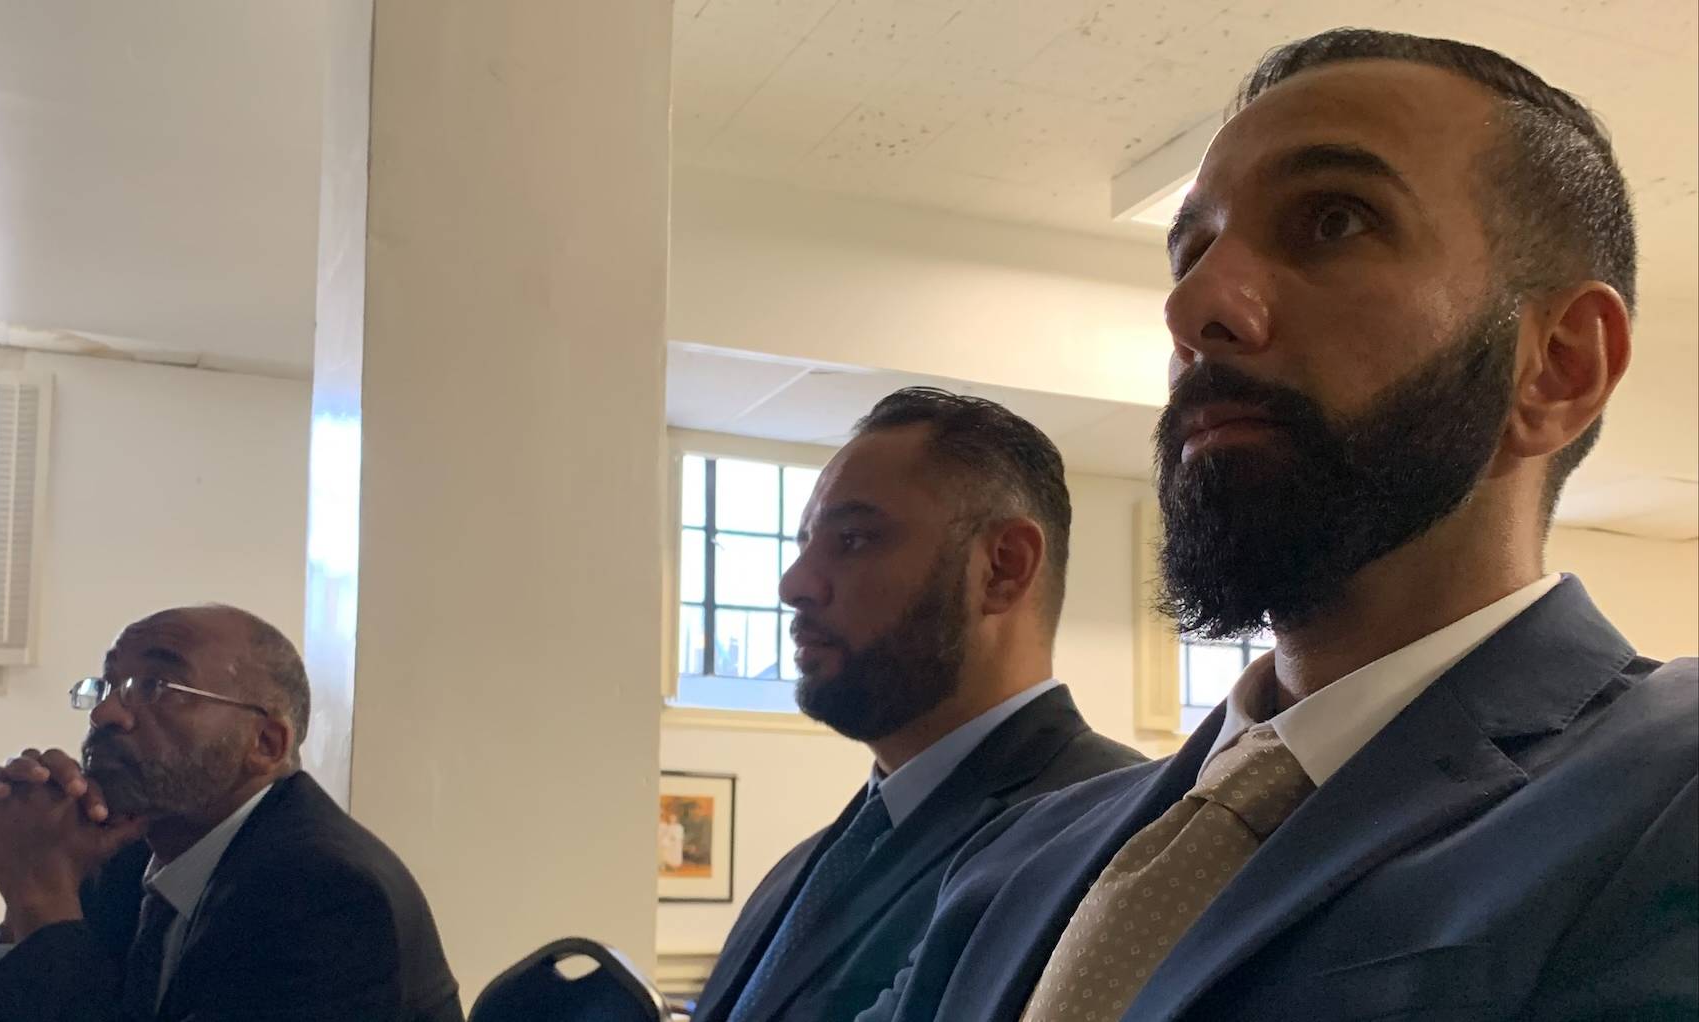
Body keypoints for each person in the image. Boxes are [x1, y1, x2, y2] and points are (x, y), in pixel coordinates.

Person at [862, 29, 1697, 1022]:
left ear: (1558, 363)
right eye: (1194, 251)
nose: (1192, 303)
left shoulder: (1667, 794)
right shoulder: (1017, 863)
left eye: (1333, 221)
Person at [694, 388, 1145, 1022]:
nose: (794, 584)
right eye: (804, 544)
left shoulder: (1115, 842)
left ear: (1003, 569)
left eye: (852, 540)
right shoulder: (808, 864)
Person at [0, 605, 463, 1022]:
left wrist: (38, 897)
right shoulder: (125, 862)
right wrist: (32, 902)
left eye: (157, 687)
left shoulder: (326, 895)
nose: (105, 713)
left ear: (264, 744)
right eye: (108, 686)